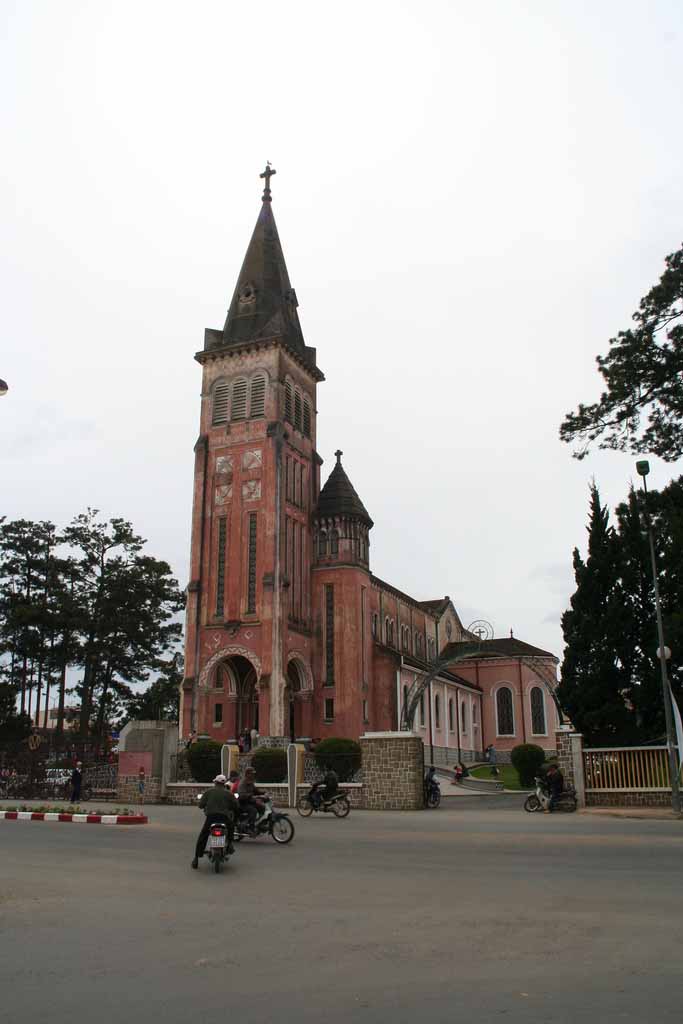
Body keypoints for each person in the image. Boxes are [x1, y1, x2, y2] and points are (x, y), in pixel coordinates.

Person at [192, 774, 238, 869]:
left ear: (215, 782)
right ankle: (229, 844)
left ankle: (196, 858)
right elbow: (236, 805)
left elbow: (200, 805)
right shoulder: (228, 793)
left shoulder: (209, 792)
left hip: (211, 818)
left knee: (203, 835)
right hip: (224, 818)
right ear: (224, 783)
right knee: (231, 828)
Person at [237, 767, 267, 832]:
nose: (253, 775)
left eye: (253, 774)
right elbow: (241, 795)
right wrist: (251, 796)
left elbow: (255, 790)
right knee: (253, 811)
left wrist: (263, 792)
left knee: (262, 807)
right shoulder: (242, 783)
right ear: (247, 774)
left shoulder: (250, 782)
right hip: (243, 803)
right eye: (252, 774)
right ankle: (251, 827)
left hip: (249, 801)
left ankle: (259, 824)